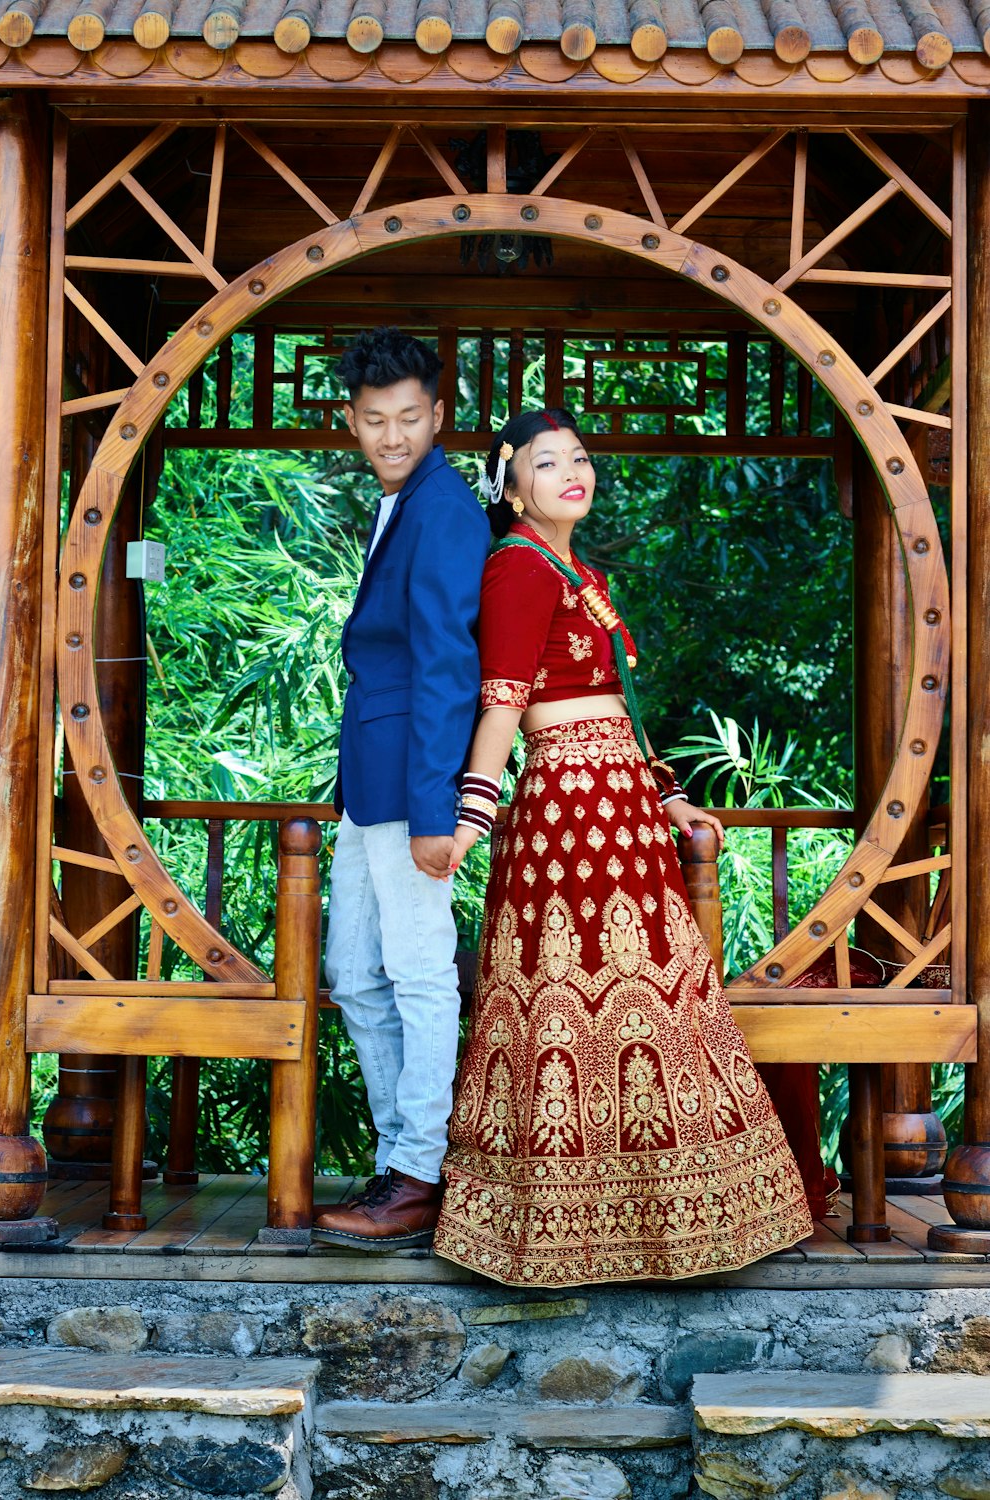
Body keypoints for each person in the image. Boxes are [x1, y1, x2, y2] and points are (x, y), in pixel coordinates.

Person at [432, 407, 813, 1286]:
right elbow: (502, 703)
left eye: (581, 457)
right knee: (569, 1005)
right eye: (546, 461)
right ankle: (563, 1227)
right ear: (512, 483)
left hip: (624, 809)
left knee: (655, 1001)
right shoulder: (520, 569)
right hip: (567, 805)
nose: (572, 471)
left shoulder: (582, 571)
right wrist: (474, 818)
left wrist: (672, 798)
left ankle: (669, 1223)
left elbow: (625, 704)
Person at [312, 328, 490, 1252]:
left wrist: (438, 812)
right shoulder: (398, 501)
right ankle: (402, 1158)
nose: (393, 435)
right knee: (354, 974)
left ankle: (422, 1175)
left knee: (419, 974)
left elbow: (448, 667)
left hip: (410, 789)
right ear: (353, 421)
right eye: (376, 420)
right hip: (366, 782)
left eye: (410, 418)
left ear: (439, 415)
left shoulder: (446, 507)